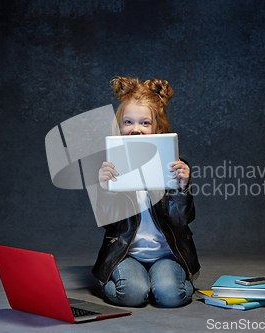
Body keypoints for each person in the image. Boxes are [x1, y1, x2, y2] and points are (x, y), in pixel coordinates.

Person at [91, 76, 200, 308]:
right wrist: (105, 190)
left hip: (167, 254)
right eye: (128, 122)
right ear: (120, 127)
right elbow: (109, 224)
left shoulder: (174, 165)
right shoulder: (112, 167)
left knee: (171, 296)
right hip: (127, 254)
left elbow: (180, 220)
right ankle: (115, 280)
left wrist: (182, 188)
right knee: (131, 295)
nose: (135, 130)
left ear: (158, 128)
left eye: (144, 123)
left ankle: (170, 280)